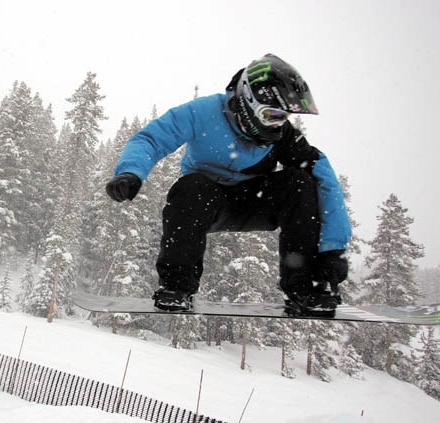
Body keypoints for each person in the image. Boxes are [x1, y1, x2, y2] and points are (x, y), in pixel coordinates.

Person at [105, 54, 351, 316]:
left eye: (283, 118)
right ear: (247, 102)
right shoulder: (202, 113)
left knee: (300, 182)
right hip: (207, 204)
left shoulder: (283, 137)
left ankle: (307, 288)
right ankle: (177, 287)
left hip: (256, 201)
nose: (277, 125)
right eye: (271, 115)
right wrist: (131, 172)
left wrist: (333, 248)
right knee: (190, 186)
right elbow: (151, 140)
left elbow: (325, 179)